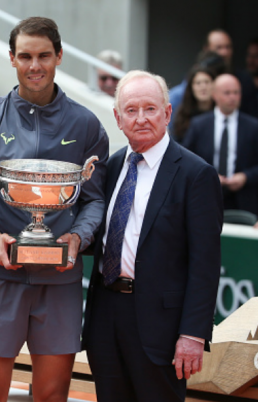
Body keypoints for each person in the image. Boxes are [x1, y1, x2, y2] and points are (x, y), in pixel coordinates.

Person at [0, 16, 109, 402]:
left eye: (44, 55)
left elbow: (93, 200)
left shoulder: (87, 124)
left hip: (60, 278)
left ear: (59, 56)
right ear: (11, 59)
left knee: (53, 394)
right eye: (25, 56)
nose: (35, 65)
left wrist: (78, 237)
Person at [83, 70, 223, 402]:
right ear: (118, 118)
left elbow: (205, 264)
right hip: (105, 318)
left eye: (151, 108)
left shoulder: (196, 174)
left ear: (167, 112)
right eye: (131, 110)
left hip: (161, 327)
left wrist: (192, 334)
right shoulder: (112, 166)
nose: (141, 118)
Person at [182, 73, 258, 216]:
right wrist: (209, 176)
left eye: (236, 92)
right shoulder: (199, 125)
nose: (233, 97)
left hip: (243, 200)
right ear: (214, 95)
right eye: (227, 93)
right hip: (206, 197)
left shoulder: (253, 127)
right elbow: (186, 160)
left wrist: (246, 176)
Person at [171, 65, 215, 142]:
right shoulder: (182, 115)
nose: (203, 87)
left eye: (207, 82)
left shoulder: (222, 113)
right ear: (191, 87)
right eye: (198, 83)